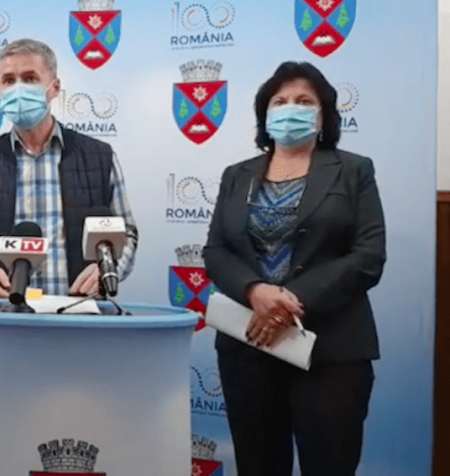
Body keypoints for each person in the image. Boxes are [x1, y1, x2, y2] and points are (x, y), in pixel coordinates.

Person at [203, 61, 386, 476]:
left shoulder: (354, 170)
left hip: (330, 350)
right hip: (249, 346)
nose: (291, 108)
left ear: (323, 117)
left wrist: (289, 303)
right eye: (280, 101)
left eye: (304, 101)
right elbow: (216, 251)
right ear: (265, 115)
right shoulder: (237, 175)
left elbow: (368, 255)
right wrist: (255, 291)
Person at [0, 38, 138, 298]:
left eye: (30, 78)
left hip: (80, 314)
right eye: (9, 80)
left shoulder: (100, 158)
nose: (18, 89)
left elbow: (126, 235)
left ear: (54, 88)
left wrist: (108, 268)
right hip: (4, 315)